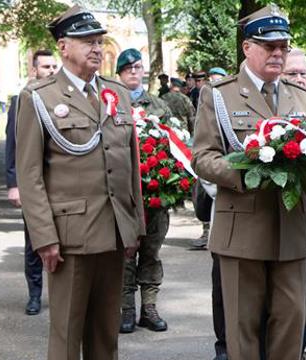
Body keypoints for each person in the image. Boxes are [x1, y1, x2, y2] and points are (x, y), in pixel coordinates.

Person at [14, 6, 144, 359]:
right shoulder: (39, 98)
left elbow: (129, 164)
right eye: (87, 41)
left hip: (115, 231)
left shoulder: (116, 93)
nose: (97, 48)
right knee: (67, 335)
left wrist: (135, 227)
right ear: (63, 47)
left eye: (99, 41)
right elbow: (29, 175)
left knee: (106, 336)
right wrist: (44, 237)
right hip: (70, 237)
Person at [191, 4, 306, 359]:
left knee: (291, 326)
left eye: (283, 47)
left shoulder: (300, 95)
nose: (278, 54)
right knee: (243, 331)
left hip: (293, 228)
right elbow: (203, 157)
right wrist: (250, 174)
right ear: (248, 47)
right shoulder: (219, 94)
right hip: (242, 228)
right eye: (269, 46)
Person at [115, 47, 173, 334]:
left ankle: (149, 307)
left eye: (138, 68)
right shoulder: (110, 104)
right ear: (120, 74)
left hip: (155, 193)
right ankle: (126, 308)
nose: (134, 73)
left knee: (152, 251)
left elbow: (177, 145)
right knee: (126, 251)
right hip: (124, 195)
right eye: (128, 69)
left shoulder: (160, 107)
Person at [6, 49, 58, 316]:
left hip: (60, 184)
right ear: (34, 69)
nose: (51, 70)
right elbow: (13, 144)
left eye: (53, 66)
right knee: (34, 241)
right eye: (45, 67)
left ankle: (61, 294)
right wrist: (13, 183)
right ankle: (35, 295)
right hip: (32, 184)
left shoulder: (62, 98)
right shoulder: (22, 100)